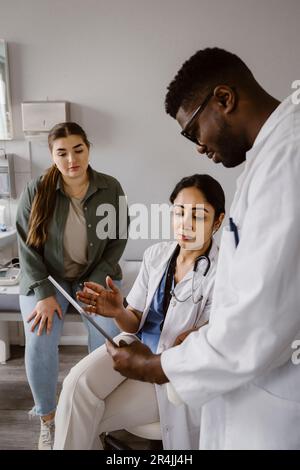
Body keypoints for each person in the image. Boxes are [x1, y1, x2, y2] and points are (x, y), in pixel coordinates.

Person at [105, 48, 300, 450]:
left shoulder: (287, 159)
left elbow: (257, 319)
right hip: (230, 381)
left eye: (193, 131)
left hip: (269, 395)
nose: (197, 147)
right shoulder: (267, 159)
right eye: (178, 213)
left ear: (224, 100)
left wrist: (157, 366)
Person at [53, 174, 225, 450]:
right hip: (135, 346)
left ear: (218, 221)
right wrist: (118, 310)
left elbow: (213, 338)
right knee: (75, 387)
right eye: (179, 213)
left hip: (170, 369)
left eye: (199, 216)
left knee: (87, 414)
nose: (186, 224)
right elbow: (134, 322)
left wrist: (196, 334)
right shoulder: (156, 255)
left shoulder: (224, 272)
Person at [16, 122, 128, 450]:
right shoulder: (37, 190)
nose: (71, 159)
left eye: (77, 150)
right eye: (61, 153)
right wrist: (44, 294)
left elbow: (117, 239)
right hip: (46, 278)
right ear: (52, 156)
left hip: (94, 274)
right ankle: (48, 419)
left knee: (107, 336)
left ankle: (98, 414)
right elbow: (26, 247)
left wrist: (95, 283)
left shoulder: (110, 188)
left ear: (88, 148)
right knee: (39, 338)